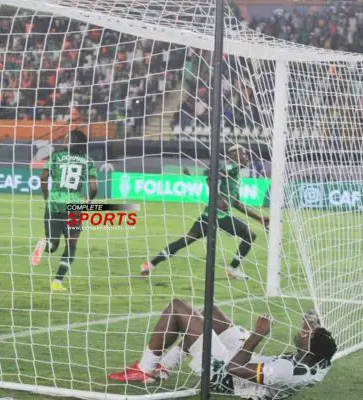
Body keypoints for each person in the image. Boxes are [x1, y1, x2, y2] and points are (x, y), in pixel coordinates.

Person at [109, 299, 337, 399]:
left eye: (306, 335)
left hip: (226, 376)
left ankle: (145, 369)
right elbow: (315, 338)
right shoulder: (319, 360)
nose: (302, 332)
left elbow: (234, 368)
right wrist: (313, 322)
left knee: (178, 308)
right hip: (252, 363)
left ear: (309, 350)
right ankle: (164, 366)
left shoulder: (284, 371)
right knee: (211, 313)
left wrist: (258, 334)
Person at [141, 144, 269, 280]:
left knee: (185, 240)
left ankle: (150, 264)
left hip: (209, 215)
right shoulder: (231, 167)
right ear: (235, 156)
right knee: (250, 235)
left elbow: (236, 203)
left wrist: (258, 218)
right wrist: (218, 199)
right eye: (243, 154)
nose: (246, 158)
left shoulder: (236, 174)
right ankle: (233, 268)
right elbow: (210, 179)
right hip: (220, 216)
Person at [31, 130, 97, 293]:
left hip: (54, 202)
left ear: (71, 142)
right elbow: (94, 187)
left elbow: (43, 177)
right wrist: (88, 201)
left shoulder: (56, 156)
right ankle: (57, 282)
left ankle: (44, 244)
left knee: (53, 244)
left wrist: (47, 197)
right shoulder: (88, 161)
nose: (64, 141)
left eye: (67, 138)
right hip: (74, 205)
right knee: (71, 244)